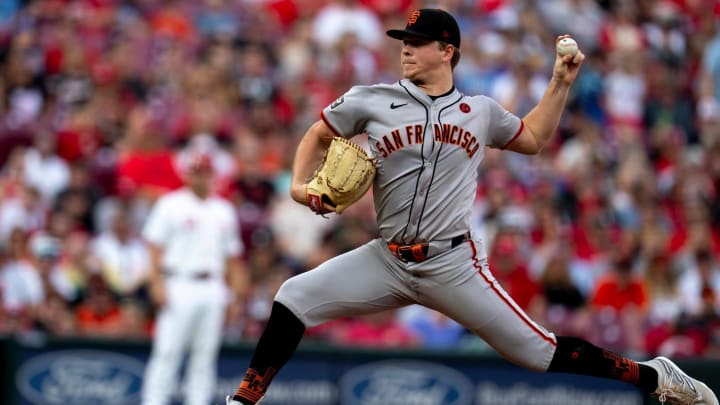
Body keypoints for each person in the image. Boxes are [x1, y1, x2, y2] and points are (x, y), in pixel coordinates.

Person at [226, 8, 718, 405]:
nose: (406, 49)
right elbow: (317, 134)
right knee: (293, 296)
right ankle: (245, 398)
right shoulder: (370, 100)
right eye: (403, 41)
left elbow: (533, 139)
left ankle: (653, 376)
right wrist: (298, 185)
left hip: (452, 262)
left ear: (447, 52)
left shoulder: (478, 111)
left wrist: (560, 83)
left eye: (417, 42)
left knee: (538, 352)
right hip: (387, 258)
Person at [141, 153, 245, 405]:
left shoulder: (224, 210)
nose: (200, 177)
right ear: (187, 174)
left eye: (205, 172)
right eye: (196, 171)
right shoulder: (171, 204)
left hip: (212, 285)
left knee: (204, 356)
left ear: (213, 175)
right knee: (167, 352)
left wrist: (234, 297)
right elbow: (154, 247)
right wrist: (156, 283)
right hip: (179, 282)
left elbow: (232, 258)